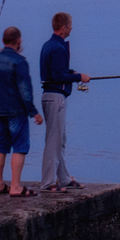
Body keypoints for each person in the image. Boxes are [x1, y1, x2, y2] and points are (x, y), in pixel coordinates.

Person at [0, 25, 43, 197]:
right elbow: (25, 90)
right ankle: (16, 186)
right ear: (19, 41)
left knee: (1, 146)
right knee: (20, 146)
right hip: (16, 110)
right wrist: (33, 112)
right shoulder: (20, 62)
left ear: (2, 41)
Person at [38, 12, 90, 192]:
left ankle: (64, 178)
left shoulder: (48, 45)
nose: (72, 28)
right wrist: (78, 77)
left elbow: (56, 72)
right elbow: (58, 76)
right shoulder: (58, 48)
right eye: (70, 25)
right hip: (56, 97)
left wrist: (71, 73)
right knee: (54, 140)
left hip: (49, 96)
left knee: (60, 139)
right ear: (63, 27)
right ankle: (47, 182)